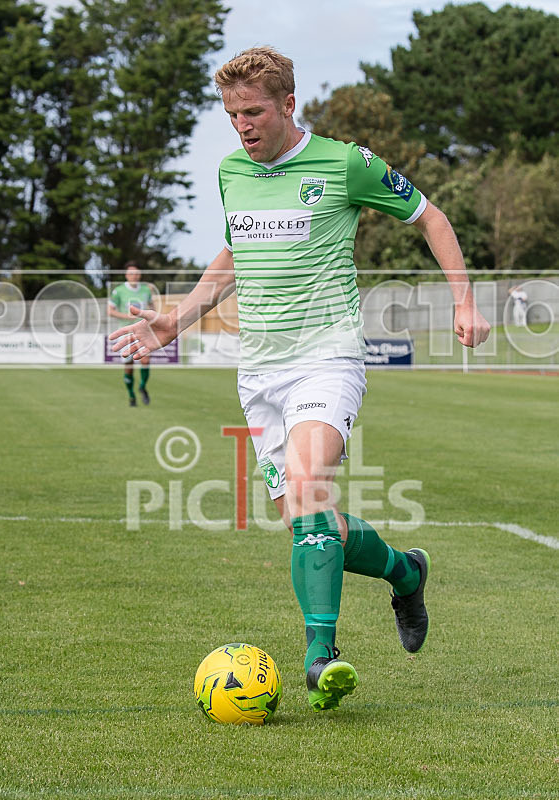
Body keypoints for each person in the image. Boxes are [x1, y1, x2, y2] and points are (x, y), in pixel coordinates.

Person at [110, 47, 491, 712]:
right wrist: (176, 320)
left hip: (327, 355)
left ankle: (321, 657)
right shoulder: (233, 171)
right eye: (232, 115)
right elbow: (233, 253)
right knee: (308, 522)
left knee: (312, 487)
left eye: (253, 111)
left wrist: (463, 299)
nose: (242, 126)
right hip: (259, 371)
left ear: (288, 105)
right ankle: (405, 572)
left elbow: (430, 215)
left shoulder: (346, 163)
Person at [108, 262, 153, 406]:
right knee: (129, 366)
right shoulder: (119, 291)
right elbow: (110, 311)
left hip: (143, 331)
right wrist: (126, 316)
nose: (134, 276)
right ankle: (131, 395)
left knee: (145, 361)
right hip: (126, 332)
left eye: (137, 273)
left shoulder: (146, 290)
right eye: (131, 273)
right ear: (126, 275)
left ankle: (142, 387)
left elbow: (152, 307)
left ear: (140, 275)